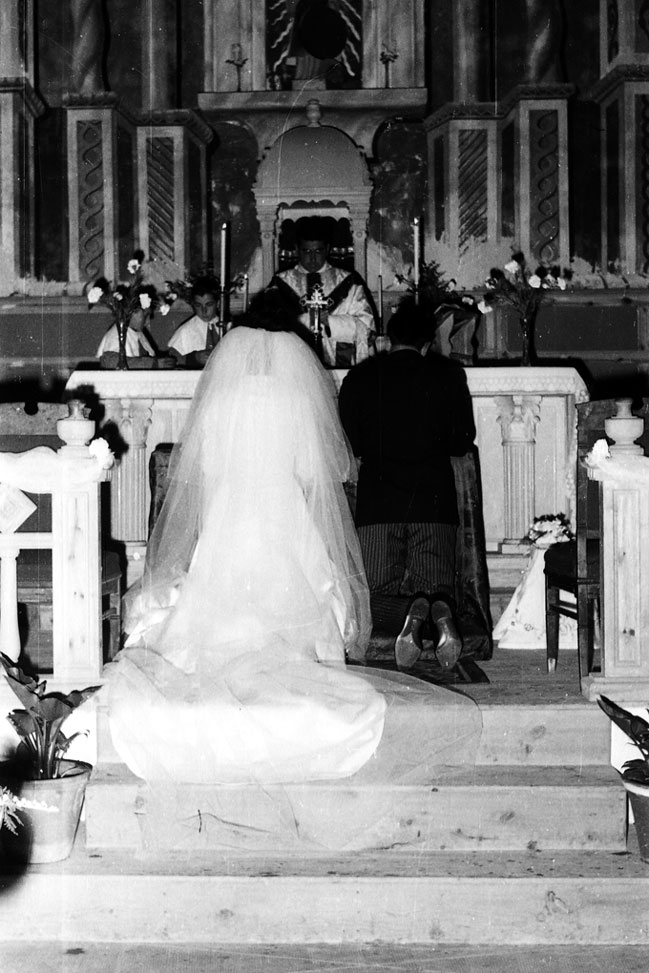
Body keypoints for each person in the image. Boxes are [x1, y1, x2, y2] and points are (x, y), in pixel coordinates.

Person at [104, 292, 480, 847]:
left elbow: (202, 467)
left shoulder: (226, 392)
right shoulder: (294, 392)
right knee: (295, 586)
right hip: (282, 506)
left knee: (216, 592)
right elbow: (321, 467)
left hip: (231, 507)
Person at [338, 296, 476, 671]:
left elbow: (348, 442)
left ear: (388, 338)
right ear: (428, 343)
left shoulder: (360, 377)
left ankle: (407, 612)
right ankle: (438, 608)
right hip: (434, 503)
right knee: (437, 587)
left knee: (370, 601)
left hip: (378, 505)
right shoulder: (448, 375)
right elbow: (463, 440)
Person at [268, 216, 374, 368]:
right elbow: (269, 326)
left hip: (338, 367)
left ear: (328, 249)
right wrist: (305, 320)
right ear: (297, 249)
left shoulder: (349, 282)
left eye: (318, 251)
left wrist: (330, 322)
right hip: (294, 365)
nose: (312, 258)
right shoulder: (280, 284)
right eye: (306, 251)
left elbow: (367, 328)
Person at [167, 277, 222, 368]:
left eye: (209, 305)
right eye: (198, 305)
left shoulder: (227, 326)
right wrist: (194, 358)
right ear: (193, 305)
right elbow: (172, 360)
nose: (204, 311)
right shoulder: (185, 331)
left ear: (218, 303)